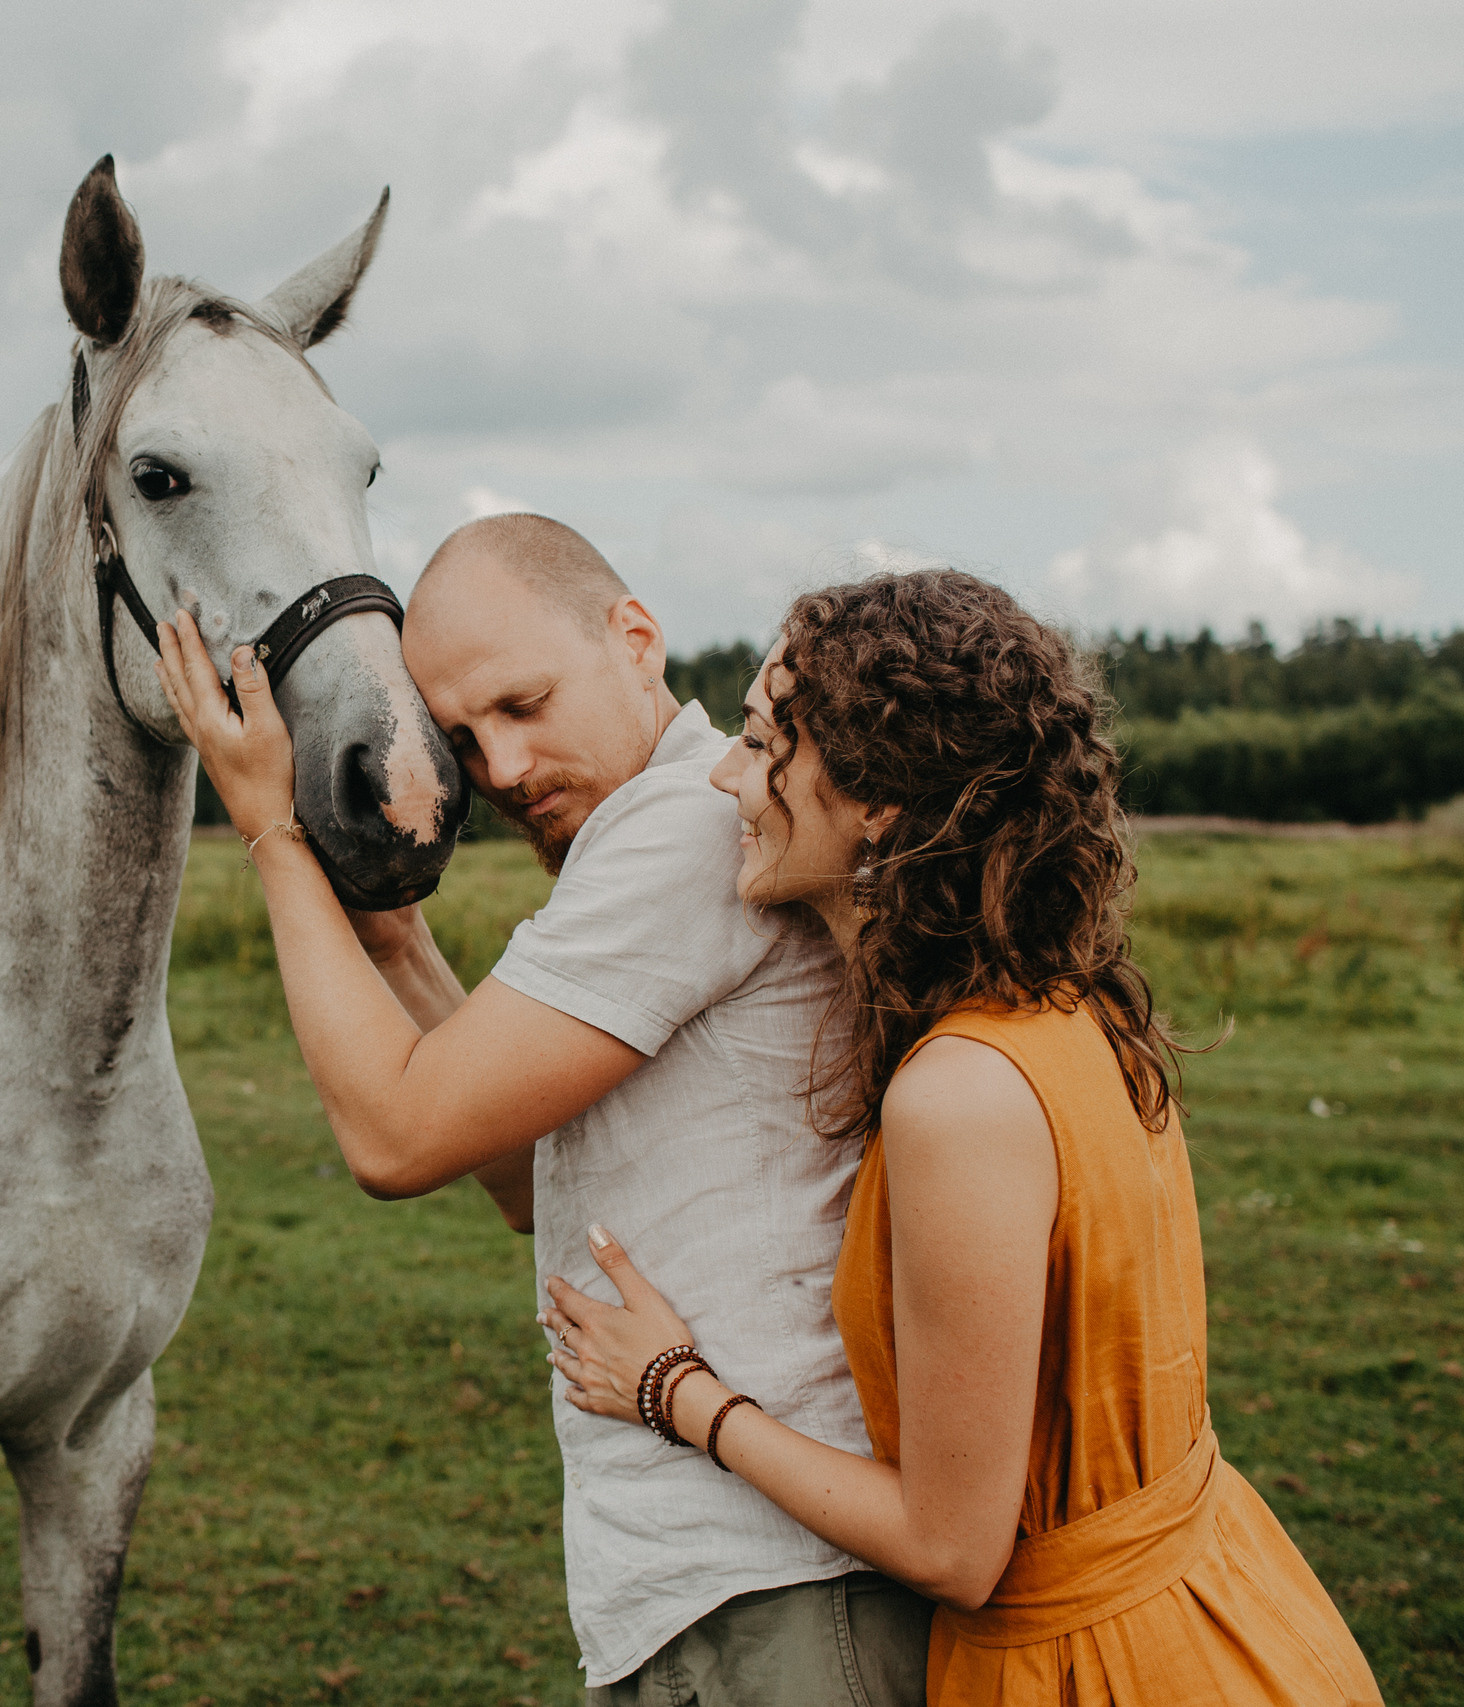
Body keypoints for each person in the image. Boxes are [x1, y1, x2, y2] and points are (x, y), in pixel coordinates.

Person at [537, 569, 1382, 1705]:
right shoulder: (1071, 1008)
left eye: (752, 743)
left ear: (873, 797)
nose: (725, 781)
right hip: (1222, 1604)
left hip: (1099, 1668)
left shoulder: (957, 1096)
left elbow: (953, 1550)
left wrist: (673, 1389)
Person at [153, 513, 931, 1705]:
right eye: (462, 738)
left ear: (633, 636)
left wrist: (265, 827)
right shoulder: (668, 831)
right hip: (720, 1585)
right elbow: (527, 1187)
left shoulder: (678, 834)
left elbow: (395, 1137)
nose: (501, 772)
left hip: (773, 1593)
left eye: (525, 705)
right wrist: (401, 947)